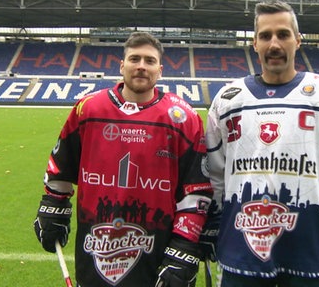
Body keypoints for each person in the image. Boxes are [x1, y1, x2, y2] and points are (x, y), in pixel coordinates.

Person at [201, 0, 319, 287]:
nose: (274, 44)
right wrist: (211, 225)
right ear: (254, 43)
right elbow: (215, 177)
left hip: (311, 254)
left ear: (298, 40)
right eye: (265, 36)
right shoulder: (227, 100)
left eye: (283, 34)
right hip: (239, 254)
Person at [33, 31, 212, 287]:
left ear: (159, 70)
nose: (141, 66)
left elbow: (196, 191)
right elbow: (60, 168)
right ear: (122, 66)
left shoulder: (184, 118)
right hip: (94, 252)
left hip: (159, 259)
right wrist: (53, 205)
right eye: (134, 59)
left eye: (149, 61)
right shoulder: (88, 108)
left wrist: (185, 245)